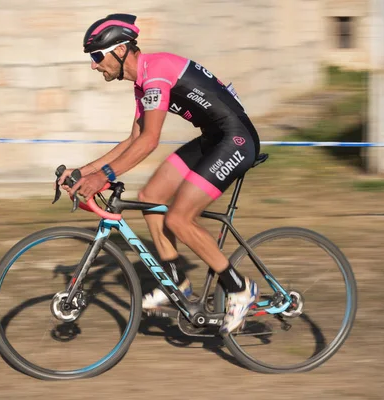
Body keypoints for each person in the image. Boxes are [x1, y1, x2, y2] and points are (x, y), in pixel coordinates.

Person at [57, 13, 260, 335]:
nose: (94, 66)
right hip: (212, 138)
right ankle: (178, 284)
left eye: (97, 57)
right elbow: (134, 139)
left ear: (120, 50)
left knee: (179, 219)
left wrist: (104, 178)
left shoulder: (156, 74)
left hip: (235, 139)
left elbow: (151, 141)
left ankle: (239, 288)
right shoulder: (142, 82)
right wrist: (85, 171)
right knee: (150, 198)